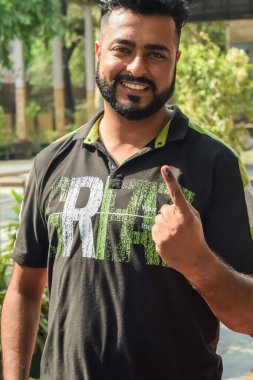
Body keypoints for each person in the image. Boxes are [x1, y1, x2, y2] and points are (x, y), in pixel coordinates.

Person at [2, 0, 253, 379]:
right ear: (99, 51)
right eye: (123, 49)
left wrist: (198, 262)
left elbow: (249, 317)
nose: (137, 67)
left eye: (156, 54)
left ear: (176, 61)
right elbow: (23, 289)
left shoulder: (216, 164)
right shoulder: (51, 161)